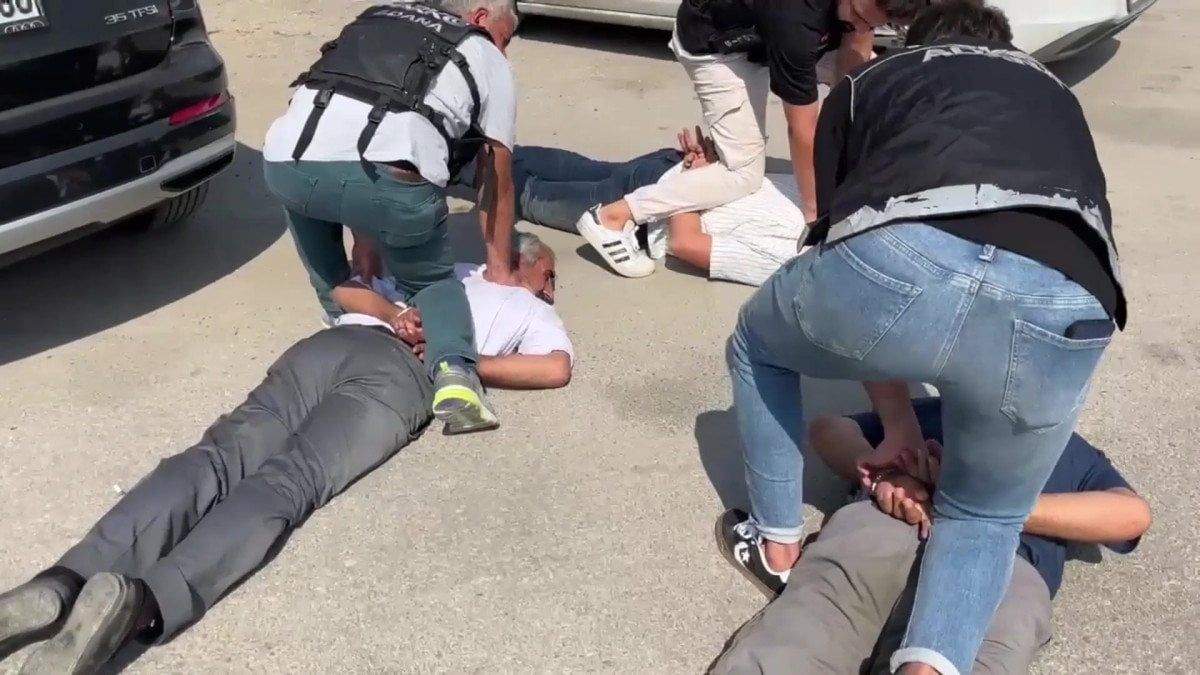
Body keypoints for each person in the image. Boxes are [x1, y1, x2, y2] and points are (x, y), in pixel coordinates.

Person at [716, 2, 1128, 673]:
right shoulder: (1054, 92)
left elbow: (836, 234)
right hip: (1070, 291)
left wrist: (898, 423)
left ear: (914, 41)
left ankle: (778, 544)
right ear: (1007, 47)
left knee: (759, 345)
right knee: (983, 518)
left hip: (907, 251)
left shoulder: (875, 82)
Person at [0, 234, 570, 674]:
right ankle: (142, 602)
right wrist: (452, 356)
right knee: (288, 482)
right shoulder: (530, 307)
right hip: (397, 378)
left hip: (331, 345)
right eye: (550, 276)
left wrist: (392, 313)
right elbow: (554, 368)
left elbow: (345, 289)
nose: (550, 289)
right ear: (528, 266)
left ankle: (64, 580)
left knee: (215, 457)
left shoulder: (436, 272)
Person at [711, 397, 1150, 674]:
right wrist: (883, 475)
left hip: (1000, 573)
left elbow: (1132, 515)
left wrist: (984, 503)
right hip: (882, 535)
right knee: (791, 645)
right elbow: (829, 430)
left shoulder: (1067, 448)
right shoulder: (945, 411)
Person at [262, 0, 521, 434]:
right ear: (480, 18)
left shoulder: (380, 16)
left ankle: (352, 331)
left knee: (334, 280)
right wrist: (500, 271)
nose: (504, 50)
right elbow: (497, 175)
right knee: (432, 283)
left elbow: (350, 114)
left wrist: (366, 241)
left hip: (286, 162)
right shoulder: (486, 54)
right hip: (391, 177)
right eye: (506, 38)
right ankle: (455, 376)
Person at [573, 0, 927, 277]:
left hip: (680, 170)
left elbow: (852, 69)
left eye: (876, 25)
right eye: (861, 18)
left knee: (872, 76)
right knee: (742, 173)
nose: (863, 29)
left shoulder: (854, 13)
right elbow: (802, 128)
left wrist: (853, 141)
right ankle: (612, 217)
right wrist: (816, 216)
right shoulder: (796, 22)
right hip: (718, 47)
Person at [498, 131, 805, 286]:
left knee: (588, 169)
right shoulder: (795, 259)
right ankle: (477, 165)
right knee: (530, 197)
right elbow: (686, 243)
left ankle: (486, 142)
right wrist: (694, 181)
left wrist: (701, 172)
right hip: (646, 215)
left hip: (666, 168)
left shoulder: (824, 199)